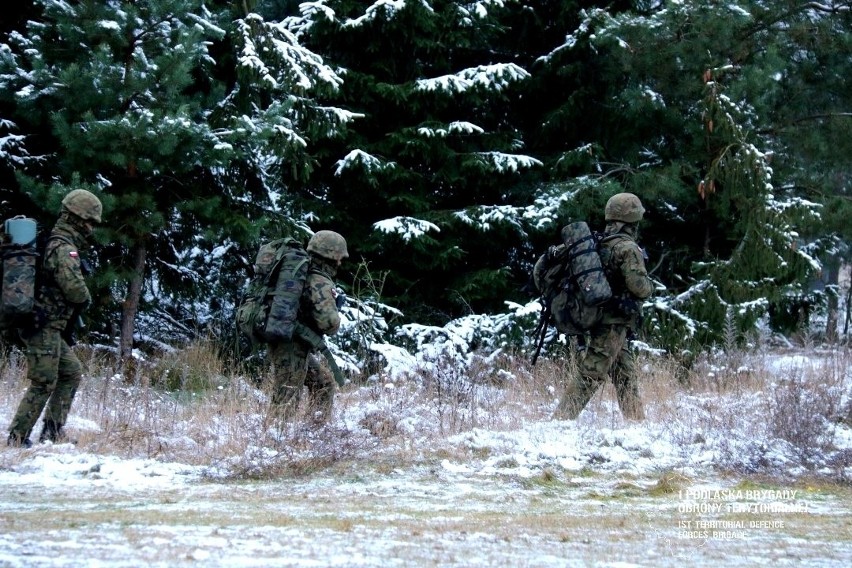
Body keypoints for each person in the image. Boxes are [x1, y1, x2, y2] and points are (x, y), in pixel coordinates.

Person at [7, 189, 102, 447]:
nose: (91, 229)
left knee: (71, 372)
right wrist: (85, 296)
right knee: (44, 382)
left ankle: (52, 431)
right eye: (89, 222)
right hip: (42, 325)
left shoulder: (56, 242)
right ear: (76, 218)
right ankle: (17, 438)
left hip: (47, 325)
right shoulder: (62, 248)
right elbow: (74, 289)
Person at [554, 192, 654, 421]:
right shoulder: (627, 248)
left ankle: (637, 423)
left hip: (599, 316)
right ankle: (559, 421)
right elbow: (640, 287)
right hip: (614, 321)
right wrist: (650, 287)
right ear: (633, 219)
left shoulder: (599, 242)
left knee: (625, 373)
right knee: (591, 372)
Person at [268, 230, 348, 423]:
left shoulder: (303, 271)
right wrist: (336, 308)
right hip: (291, 344)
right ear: (332, 255)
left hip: (287, 338)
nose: (340, 262)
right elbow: (329, 324)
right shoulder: (319, 280)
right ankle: (273, 444)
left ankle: (315, 435)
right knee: (286, 397)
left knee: (323, 384)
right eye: (339, 258)